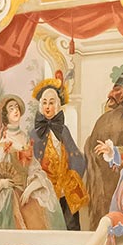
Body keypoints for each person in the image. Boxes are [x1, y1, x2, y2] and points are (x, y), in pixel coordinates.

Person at [83, 58, 123, 230]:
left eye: (117, 91)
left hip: (120, 181)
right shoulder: (105, 119)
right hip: (103, 180)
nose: (110, 95)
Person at [0, 94, 64, 230]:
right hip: (12, 195)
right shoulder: (5, 140)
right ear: (6, 115)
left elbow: (34, 168)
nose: (15, 110)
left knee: (39, 217)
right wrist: (3, 183)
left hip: (27, 191)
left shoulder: (24, 137)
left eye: (17, 107)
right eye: (11, 109)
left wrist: (31, 188)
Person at [30, 75, 88, 230]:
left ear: (58, 106)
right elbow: (30, 164)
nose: (48, 106)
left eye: (51, 102)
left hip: (65, 188)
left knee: (71, 225)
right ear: (40, 105)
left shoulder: (63, 130)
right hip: (44, 190)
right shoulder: (34, 134)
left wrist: (71, 178)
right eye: (44, 102)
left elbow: (76, 157)